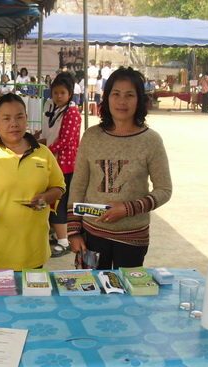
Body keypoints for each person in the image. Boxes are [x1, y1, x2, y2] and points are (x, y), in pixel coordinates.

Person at [67, 66, 172, 270]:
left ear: (139, 100)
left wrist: (128, 209)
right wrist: (73, 232)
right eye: (116, 94)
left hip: (133, 238)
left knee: (128, 288)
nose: (122, 101)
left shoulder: (151, 140)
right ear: (106, 97)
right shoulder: (91, 136)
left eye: (129, 95)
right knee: (92, 287)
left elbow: (164, 190)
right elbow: (78, 186)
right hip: (92, 235)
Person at [0, 93, 66, 271]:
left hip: (33, 249)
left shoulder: (43, 153)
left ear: (26, 118)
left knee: (32, 289)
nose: (14, 123)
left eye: (19, 117)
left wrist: (45, 198)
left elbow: (59, 186)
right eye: (6, 118)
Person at [37, 72, 82, 257]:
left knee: (59, 203)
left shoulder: (72, 112)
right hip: (54, 161)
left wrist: (44, 149)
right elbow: (48, 132)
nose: (58, 96)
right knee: (54, 201)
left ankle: (64, 242)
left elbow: (66, 141)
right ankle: (58, 234)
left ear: (70, 94)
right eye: (55, 92)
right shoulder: (53, 107)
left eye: (62, 93)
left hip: (65, 165)